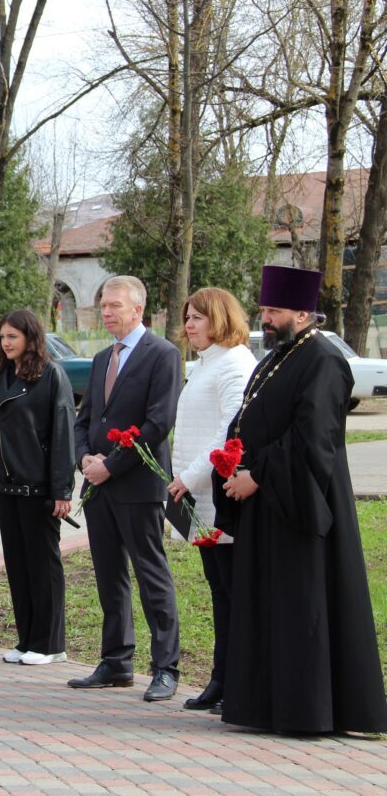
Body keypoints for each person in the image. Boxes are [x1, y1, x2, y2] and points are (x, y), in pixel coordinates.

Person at [215, 265, 387, 734]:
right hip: (268, 501)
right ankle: (265, 705)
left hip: (303, 504)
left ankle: (308, 711)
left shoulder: (325, 360)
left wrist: (258, 475)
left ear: (304, 313)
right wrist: (233, 461)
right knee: (267, 605)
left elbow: (315, 440)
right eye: (264, 309)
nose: (265, 319)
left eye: (274, 311)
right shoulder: (279, 356)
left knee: (301, 607)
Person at [70, 275, 182, 701]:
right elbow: (86, 420)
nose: (106, 311)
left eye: (115, 305)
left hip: (137, 485)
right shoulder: (102, 358)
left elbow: (158, 424)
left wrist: (111, 467)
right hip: (99, 487)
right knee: (109, 576)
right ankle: (117, 661)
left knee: (151, 574)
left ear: (138, 310)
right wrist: (84, 459)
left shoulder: (163, 355)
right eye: (103, 304)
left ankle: (166, 667)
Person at [165, 289, 256, 713]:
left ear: (219, 318)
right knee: (219, 591)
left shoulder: (235, 364)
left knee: (234, 593)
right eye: (187, 317)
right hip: (198, 498)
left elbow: (229, 431)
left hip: (219, 496)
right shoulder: (206, 364)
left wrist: (189, 475)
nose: (189, 324)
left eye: (198, 317)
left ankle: (238, 681)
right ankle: (222, 679)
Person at [0, 309, 75, 667]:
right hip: (6, 485)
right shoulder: (5, 374)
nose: (5, 343)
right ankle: (27, 639)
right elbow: (1, 421)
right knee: (18, 565)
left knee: (43, 566)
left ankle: (50, 644)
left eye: (12, 336)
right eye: (2, 337)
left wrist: (62, 491)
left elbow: (63, 435)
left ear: (30, 337)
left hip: (39, 488)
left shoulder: (52, 375)